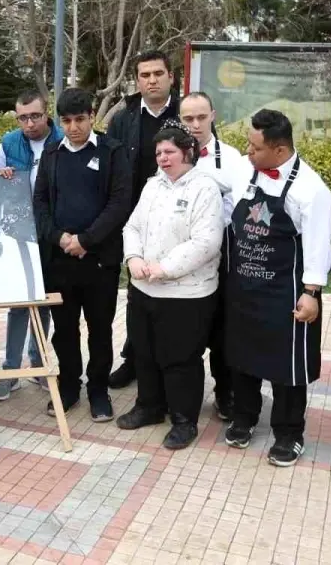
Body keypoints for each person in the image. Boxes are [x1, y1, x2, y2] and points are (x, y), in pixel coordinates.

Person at [222, 109, 331, 467]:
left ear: (280, 150)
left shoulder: (311, 190)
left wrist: (311, 293)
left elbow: (318, 245)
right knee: (242, 359)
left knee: (288, 367)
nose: (247, 152)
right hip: (244, 288)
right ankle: (244, 418)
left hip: (286, 294)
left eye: (255, 148)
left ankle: (289, 434)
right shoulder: (245, 170)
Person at [116, 121, 224, 450]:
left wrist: (164, 268)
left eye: (170, 151)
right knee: (145, 352)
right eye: (159, 152)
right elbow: (132, 226)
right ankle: (150, 407)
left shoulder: (205, 188)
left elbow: (206, 242)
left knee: (179, 359)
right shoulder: (153, 185)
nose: (163, 158)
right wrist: (133, 258)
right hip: (144, 287)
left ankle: (183, 419)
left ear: (187, 152)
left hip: (186, 294)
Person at [34, 88, 133, 421]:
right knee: (64, 330)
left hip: (100, 260)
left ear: (92, 116)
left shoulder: (112, 152)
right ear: (59, 121)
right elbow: (40, 205)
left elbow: (119, 203)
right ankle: (68, 386)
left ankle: (98, 391)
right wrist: (60, 238)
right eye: (66, 121)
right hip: (60, 260)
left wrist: (87, 240)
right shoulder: (51, 154)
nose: (73, 127)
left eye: (80, 119)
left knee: (100, 329)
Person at [106, 50, 181, 389]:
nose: (151, 80)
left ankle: (169, 366)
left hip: (178, 223)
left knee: (171, 297)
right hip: (136, 223)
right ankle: (134, 360)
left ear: (171, 77)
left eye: (157, 73)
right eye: (144, 75)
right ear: (136, 80)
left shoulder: (185, 115)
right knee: (137, 296)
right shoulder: (122, 120)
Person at [179, 91, 248, 420]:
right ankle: (180, 397)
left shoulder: (233, 159)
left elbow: (242, 208)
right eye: (188, 118)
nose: (194, 124)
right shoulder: (169, 155)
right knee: (187, 329)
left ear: (213, 116)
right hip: (181, 259)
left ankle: (225, 392)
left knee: (223, 329)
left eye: (200, 117)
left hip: (223, 256)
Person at [0, 89, 63, 402]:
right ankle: (10, 370)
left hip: (51, 232)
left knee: (42, 301)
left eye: (35, 115)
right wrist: (0, 175)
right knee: (19, 302)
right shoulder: (9, 143)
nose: (30, 123)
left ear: (46, 113)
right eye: (23, 117)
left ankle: (37, 361)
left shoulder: (61, 140)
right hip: (18, 232)